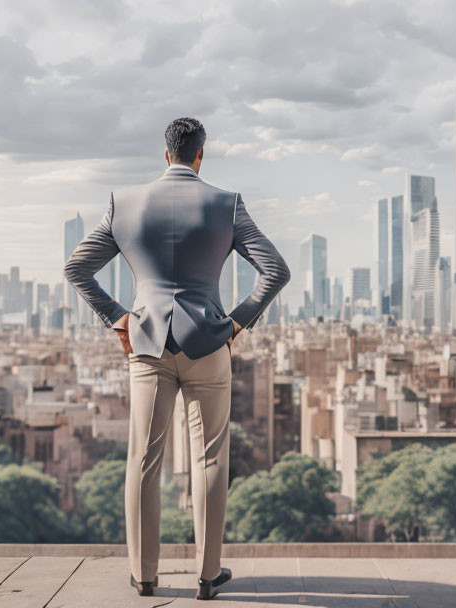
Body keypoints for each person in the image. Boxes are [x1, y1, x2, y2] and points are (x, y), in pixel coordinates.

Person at [64, 117, 290, 600]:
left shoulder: (123, 204)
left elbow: (76, 266)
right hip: (209, 343)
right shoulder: (226, 204)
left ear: (166, 154)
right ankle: (208, 576)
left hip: (146, 345)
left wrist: (117, 317)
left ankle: (144, 576)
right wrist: (236, 321)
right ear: (200, 154)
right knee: (210, 459)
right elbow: (275, 271)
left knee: (144, 458)